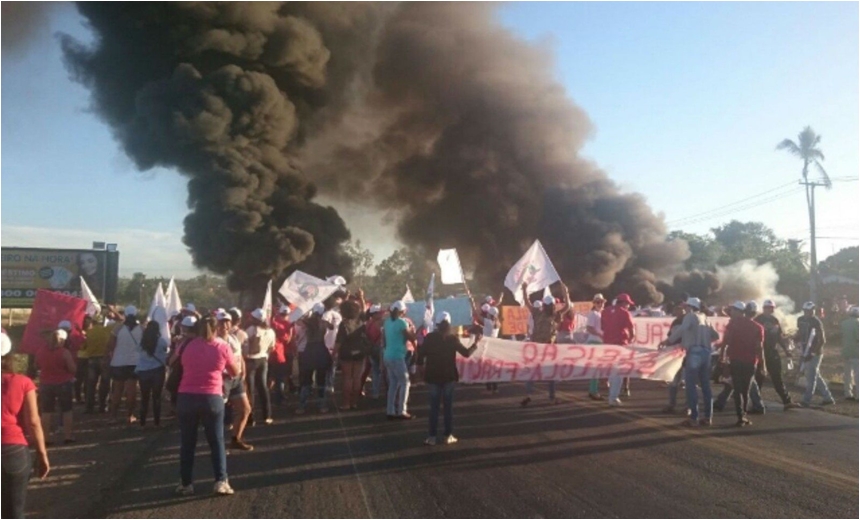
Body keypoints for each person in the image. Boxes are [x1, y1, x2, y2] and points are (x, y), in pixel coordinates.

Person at [173, 315, 240, 496]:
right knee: (216, 442)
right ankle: (220, 481)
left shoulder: (186, 345)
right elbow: (235, 372)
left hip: (186, 396)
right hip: (211, 396)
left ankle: (186, 483)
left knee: (187, 443)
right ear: (216, 328)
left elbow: (175, 361)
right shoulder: (222, 347)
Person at [2, 331, 50, 519]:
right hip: (13, 450)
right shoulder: (23, 383)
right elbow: (33, 422)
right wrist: (42, 454)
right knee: (14, 511)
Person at [417, 312, 480, 446]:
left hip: (433, 376)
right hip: (449, 376)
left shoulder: (429, 338)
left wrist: (421, 370)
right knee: (448, 408)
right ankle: (448, 435)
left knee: (434, 408)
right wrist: (476, 343)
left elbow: (420, 355)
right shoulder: (452, 339)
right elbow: (467, 353)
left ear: (437, 324)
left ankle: (432, 437)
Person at [662, 297, 719, 427]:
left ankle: (694, 417)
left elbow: (682, 329)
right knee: (705, 386)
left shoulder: (690, 316)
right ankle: (708, 417)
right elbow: (716, 336)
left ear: (689, 307)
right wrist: (703, 340)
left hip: (694, 353)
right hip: (706, 353)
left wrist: (668, 341)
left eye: (686, 306)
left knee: (691, 386)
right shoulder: (705, 318)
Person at [521, 282, 571, 407]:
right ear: (554, 305)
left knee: (532, 372)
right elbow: (568, 306)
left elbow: (527, 302)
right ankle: (552, 398)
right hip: (549, 348)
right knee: (551, 374)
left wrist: (524, 289)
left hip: (536, 347)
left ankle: (528, 395)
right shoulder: (556, 315)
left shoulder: (537, 313)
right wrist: (566, 292)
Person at [722, 302, 765, 427]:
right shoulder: (758, 327)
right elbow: (759, 348)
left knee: (737, 389)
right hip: (750, 362)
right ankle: (743, 416)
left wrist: (722, 358)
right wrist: (763, 365)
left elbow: (726, 341)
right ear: (755, 313)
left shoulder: (734, 324)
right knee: (745, 390)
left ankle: (740, 415)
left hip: (735, 360)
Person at [216, 311, 253, 451]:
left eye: (227, 322)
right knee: (219, 416)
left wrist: (243, 372)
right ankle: (218, 446)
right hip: (222, 380)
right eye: (221, 322)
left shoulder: (234, 338)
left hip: (236, 379)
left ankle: (235, 439)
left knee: (245, 410)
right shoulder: (214, 341)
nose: (225, 325)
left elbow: (240, 356)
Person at [753, 299, 798, 409]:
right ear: (764, 308)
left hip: (773, 352)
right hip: (761, 352)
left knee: (777, 377)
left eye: (771, 308)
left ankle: (787, 401)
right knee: (759, 378)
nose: (770, 309)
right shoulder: (757, 320)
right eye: (768, 308)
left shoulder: (775, 321)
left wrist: (786, 350)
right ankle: (756, 402)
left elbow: (779, 337)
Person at [36, 328, 77, 444]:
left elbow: (37, 365)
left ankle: (45, 438)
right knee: (67, 410)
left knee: (46, 411)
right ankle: (68, 436)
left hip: (46, 383)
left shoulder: (40, 351)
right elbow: (72, 368)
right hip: (63, 383)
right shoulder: (64, 352)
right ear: (62, 341)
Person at [795, 301, 835, 407]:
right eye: (807, 310)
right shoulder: (800, 320)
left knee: (811, 377)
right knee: (815, 375)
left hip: (815, 353)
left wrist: (812, 353)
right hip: (804, 350)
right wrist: (795, 339)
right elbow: (799, 333)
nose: (810, 312)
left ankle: (806, 400)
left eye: (812, 310)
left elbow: (822, 340)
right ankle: (828, 398)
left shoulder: (816, 322)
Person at [107, 306, 142, 424]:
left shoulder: (118, 328)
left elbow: (110, 345)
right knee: (131, 391)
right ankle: (130, 415)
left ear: (126, 315)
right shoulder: (141, 328)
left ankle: (113, 416)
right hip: (134, 363)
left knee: (117, 391)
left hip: (118, 362)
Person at [383, 300, 417, 420]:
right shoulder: (402, 323)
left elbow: (385, 340)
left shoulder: (387, 322)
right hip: (397, 356)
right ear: (402, 312)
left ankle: (390, 410)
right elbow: (410, 337)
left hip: (387, 355)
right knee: (405, 382)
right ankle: (402, 410)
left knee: (393, 383)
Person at [296, 304, 332, 414]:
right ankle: (321, 405)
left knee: (306, 380)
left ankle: (301, 406)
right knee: (321, 380)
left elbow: (298, 320)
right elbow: (332, 327)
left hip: (309, 351)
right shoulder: (324, 323)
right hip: (321, 350)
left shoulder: (307, 322)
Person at [336, 300, 372, 410]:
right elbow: (364, 310)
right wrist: (361, 297)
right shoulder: (361, 322)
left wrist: (335, 354)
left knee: (347, 378)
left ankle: (346, 403)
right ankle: (354, 402)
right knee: (357, 378)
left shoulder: (344, 324)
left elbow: (339, 342)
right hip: (360, 352)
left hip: (346, 353)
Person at [601, 293, 636, 406]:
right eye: (628, 304)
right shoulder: (625, 313)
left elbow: (602, 327)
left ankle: (612, 395)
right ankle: (613, 397)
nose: (629, 306)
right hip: (620, 345)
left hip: (607, 344)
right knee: (619, 372)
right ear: (624, 303)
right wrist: (630, 341)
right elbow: (632, 332)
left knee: (612, 371)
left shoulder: (605, 311)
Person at [243, 309, 276, 426]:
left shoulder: (251, 330)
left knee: (250, 390)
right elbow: (272, 347)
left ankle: (251, 418)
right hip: (263, 359)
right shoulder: (271, 331)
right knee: (263, 388)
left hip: (251, 360)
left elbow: (245, 346)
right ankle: (267, 415)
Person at [135, 321, 168, 428]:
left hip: (143, 371)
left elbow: (138, 352)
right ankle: (156, 422)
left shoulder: (142, 342)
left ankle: (142, 423)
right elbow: (165, 349)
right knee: (156, 397)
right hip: (157, 370)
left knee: (144, 398)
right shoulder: (161, 341)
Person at [660, 302, 687, 413]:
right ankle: (672, 404)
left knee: (687, 382)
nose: (678, 311)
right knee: (674, 380)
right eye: (676, 309)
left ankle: (688, 407)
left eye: (680, 309)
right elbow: (671, 336)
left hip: (686, 353)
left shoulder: (688, 321)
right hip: (675, 354)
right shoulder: (675, 322)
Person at [82, 315, 112, 414]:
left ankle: (89, 407)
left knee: (91, 385)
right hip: (104, 360)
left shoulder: (89, 333)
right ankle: (103, 406)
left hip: (91, 360)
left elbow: (83, 347)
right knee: (105, 384)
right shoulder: (107, 331)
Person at [359, 304, 386, 400]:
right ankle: (386, 392)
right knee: (384, 371)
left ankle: (375, 393)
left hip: (371, 349)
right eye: (379, 313)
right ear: (375, 314)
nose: (381, 314)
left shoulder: (367, 324)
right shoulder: (381, 323)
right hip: (380, 348)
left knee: (375, 371)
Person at [269, 305, 293, 406]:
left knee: (272, 376)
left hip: (273, 353)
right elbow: (287, 340)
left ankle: (272, 395)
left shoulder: (274, 322)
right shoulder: (287, 324)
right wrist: (291, 332)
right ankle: (280, 397)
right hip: (281, 353)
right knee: (281, 377)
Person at [586, 293, 606, 400]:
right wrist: (600, 334)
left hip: (599, 343)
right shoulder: (593, 314)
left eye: (601, 302)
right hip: (594, 342)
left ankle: (594, 390)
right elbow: (589, 328)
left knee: (597, 369)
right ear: (594, 303)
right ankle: (593, 391)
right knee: (596, 369)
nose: (600, 304)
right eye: (598, 302)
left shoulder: (600, 314)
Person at [842, 307, 859, 401]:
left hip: (846, 351)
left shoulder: (844, 323)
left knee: (847, 374)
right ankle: (858, 395)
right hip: (856, 352)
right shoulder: (858, 323)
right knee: (858, 375)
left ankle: (848, 393)